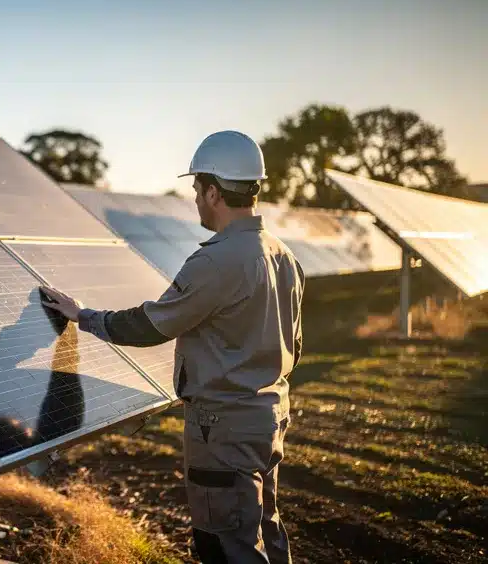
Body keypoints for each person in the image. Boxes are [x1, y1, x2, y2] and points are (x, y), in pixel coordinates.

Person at [40, 130, 303, 564]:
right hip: (269, 420)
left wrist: (83, 316)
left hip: (222, 432)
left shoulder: (217, 260)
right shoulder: (282, 256)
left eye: (197, 189)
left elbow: (149, 325)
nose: (195, 198)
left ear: (215, 192)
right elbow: (295, 343)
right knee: (265, 534)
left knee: (224, 547)